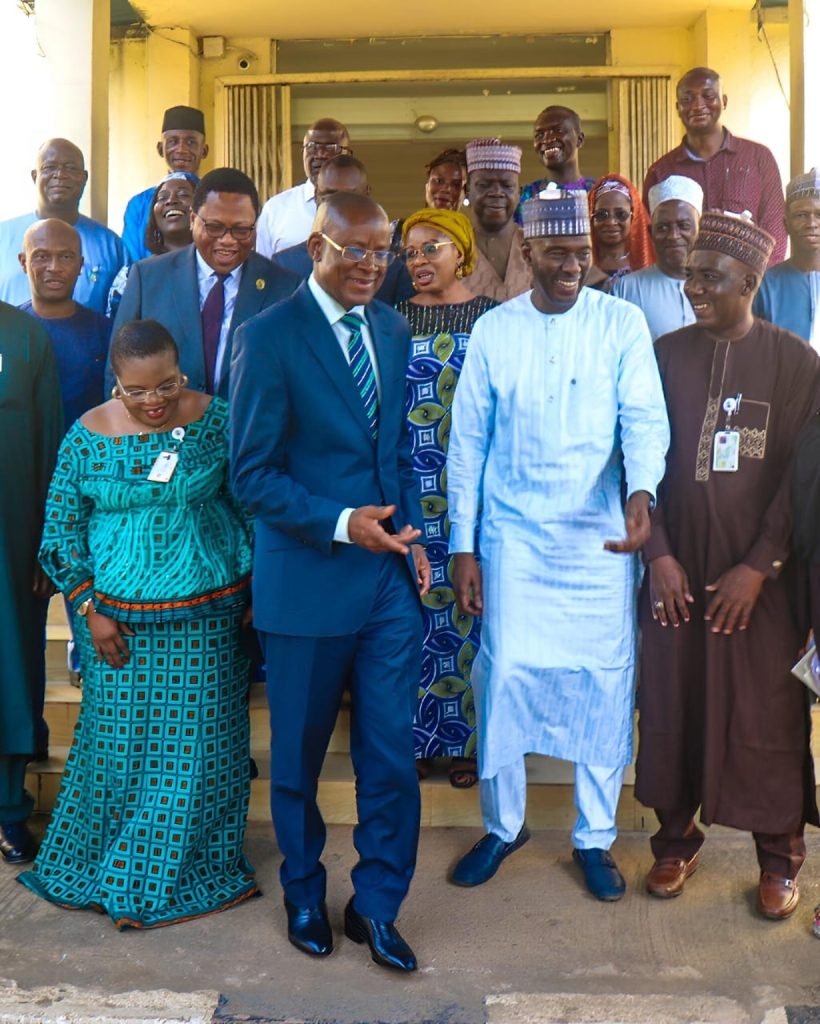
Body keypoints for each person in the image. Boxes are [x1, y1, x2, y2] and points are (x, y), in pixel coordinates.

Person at [446, 190, 669, 901]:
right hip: (512, 537)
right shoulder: (495, 332)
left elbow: (644, 420)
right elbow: (467, 445)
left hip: (598, 540)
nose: (572, 265)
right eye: (558, 253)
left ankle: (594, 837)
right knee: (504, 674)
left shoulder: (621, 324)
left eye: (581, 254)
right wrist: (463, 544)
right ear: (528, 252)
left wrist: (643, 495)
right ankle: (504, 825)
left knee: (604, 682)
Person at [230, 191, 430, 972]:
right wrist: (347, 522)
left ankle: (378, 906)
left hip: (385, 584)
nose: (372, 266)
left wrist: (407, 533)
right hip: (308, 577)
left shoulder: (391, 326)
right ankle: (305, 892)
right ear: (315, 249)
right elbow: (252, 478)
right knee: (300, 760)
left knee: (389, 755)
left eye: (382, 251)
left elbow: (394, 456)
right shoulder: (268, 336)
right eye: (355, 250)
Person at [18, 320, 258, 928]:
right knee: (117, 747)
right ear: (115, 382)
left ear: (183, 372)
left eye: (167, 386)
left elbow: (250, 506)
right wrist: (88, 610)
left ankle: (179, 870)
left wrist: (259, 590)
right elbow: (61, 532)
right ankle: (112, 861)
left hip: (208, 617)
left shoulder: (217, 420)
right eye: (137, 390)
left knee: (199, 748)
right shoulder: (86, 436)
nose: (154, 401)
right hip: (115, 625)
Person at [635, 212, 820, 920]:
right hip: (678, 570)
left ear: (752, 279)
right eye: (689, 275)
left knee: (767, 711)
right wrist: (658, 554)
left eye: (711, 277)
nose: (693, 289)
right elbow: (638, 459)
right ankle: (675, 841)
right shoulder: (663, 355)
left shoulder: (797, 361)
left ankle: (779, 856)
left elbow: (803, 480)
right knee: (674, 703)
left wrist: (759, 566)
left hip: (763, 584)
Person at [396, 208, 496, 790]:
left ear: (461, 252)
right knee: (410, 615)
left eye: (431, 248)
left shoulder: (491, 318)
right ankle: (414, 736)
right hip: (410, 483)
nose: (419, 261)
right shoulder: (390, 319)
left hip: (469, 489)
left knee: (469, 611)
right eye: (409, 252)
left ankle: (467, 741)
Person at [19, 218, 111, 714]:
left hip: (89, 507)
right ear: (22, 263)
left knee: (96, 631)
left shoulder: (103, 332)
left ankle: (103, 745)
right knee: (17, 635)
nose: (53, 267)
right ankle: (25, 739)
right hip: (18, 499)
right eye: (41, 257)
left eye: (65, 257)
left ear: (82, 264)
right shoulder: (8, 330)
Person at [111, 167, 298, 398]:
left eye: (241, 230)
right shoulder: (147, 278)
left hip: (249, 432)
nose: (228, 241)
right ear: (192, 219)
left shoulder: (285, 288)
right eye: (214, 227)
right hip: (164, 429)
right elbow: (118, 369)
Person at [0, 303, 62, 865]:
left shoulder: (23, 335)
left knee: (11, 668)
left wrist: (48, 542)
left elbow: (48, 445)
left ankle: (8, 810)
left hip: (11, 537)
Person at [642, 67, 787, 264]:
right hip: (684, 287)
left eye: (708, 96)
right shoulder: (661, 171)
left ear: (724, 101)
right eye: (687, 99)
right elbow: (649, 235)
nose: (697, 105)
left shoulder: (758, 158)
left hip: (749, 285)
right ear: (677, 108)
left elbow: (775, 228)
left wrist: (757, 282)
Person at [0, 139, 124, 314]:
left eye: (71, 168)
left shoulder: (111, 245)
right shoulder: (3, 235)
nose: (60, 174)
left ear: (84, 178)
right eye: (49, 167)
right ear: (35, 176)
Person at [274, 155, 413, 305]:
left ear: (367, 193)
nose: (340, 206)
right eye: (330, 196)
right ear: (316, 196)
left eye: (350, 196)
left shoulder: (393, 269)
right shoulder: (284, 264)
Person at [611, 175, 702, 340]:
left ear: (701, 230)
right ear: (650, 233)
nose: (673, 236)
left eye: (684, 226)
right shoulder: (625, 290)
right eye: (663, 227)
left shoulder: (720, 289)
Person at [121, 106, 208, 265]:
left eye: (191, 142)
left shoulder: (214, 197)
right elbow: (131, 260)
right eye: (173, 142)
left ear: (204, 150)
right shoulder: (139, 205)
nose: (181, 150)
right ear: (161, 149)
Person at [256, 117, 351, 257]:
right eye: (312, 146)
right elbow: (262, 269)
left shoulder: (363, 212)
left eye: (331, 147)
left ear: (347, 155)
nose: (321, 154)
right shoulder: (275, 209)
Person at [754, 168, 820, 348]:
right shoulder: (765, 286)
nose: (812, 224)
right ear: (786, 224)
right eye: (801, 215)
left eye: (819, 215)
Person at [461, 138, 531, 303]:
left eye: (507, 185)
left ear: (518, 193)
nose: (497, 193)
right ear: (467, 191)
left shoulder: (536, 245)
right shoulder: (453, 250)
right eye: (484, 185)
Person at [518, 106, 595, 213]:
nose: (547, 139)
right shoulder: (524, 198)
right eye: (539, 135)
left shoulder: (597, 195)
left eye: (558, 130)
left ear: (579, 139)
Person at [586, 175, 653, 290]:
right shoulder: (581, 264)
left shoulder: (646, 265)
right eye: (602, 215)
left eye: (621, 214)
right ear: (591, 217)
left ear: (633, 217)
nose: (611, 222)